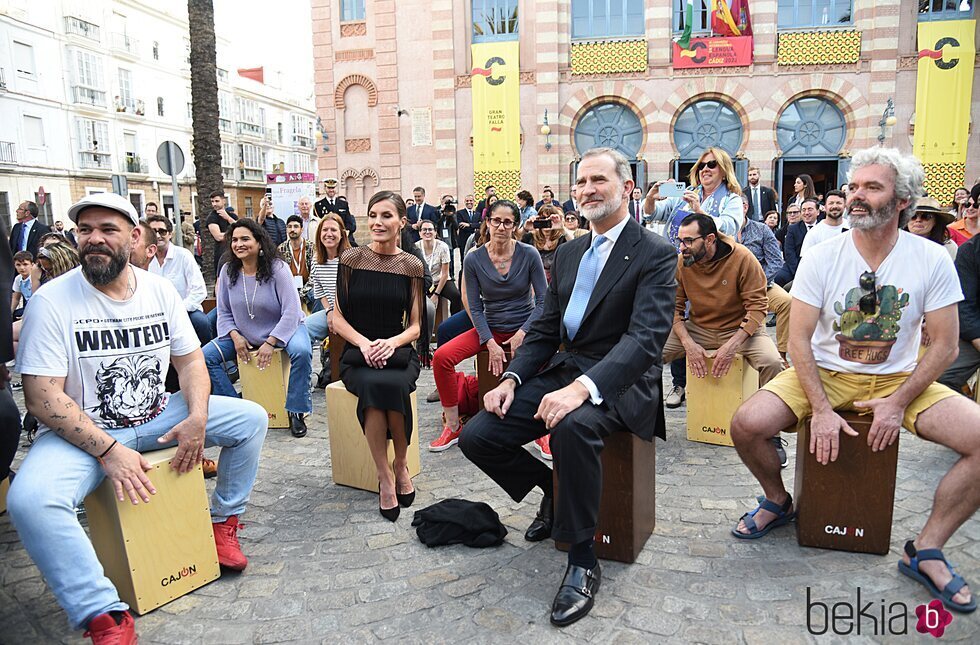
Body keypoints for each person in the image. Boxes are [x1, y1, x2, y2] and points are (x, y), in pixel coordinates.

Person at [7, 192, 269, 643]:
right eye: (85, 230)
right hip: (86, 432)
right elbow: (41, 396)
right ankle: (103, 613)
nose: (95, 239)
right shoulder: (51, 301)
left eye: (107, 230)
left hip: (157, 414)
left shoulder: (158, 290)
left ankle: (223, 524)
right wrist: (109, 451)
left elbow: (189, 364)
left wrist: (198, 418)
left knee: (250, 419)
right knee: (29, 500)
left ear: (134, 238)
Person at [729, 148, 979, 615]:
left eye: (872, 187)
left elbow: (945, 345)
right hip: (824, 373)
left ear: (902, 200)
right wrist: (820, 410)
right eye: (854, 186)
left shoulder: (932, 258)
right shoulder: (823, 257)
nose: (856, 196)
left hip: (901, 379)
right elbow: (798, 340)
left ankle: (926, 549)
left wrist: (897, 401)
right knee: (746, 424)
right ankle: (778, 499)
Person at [460, 147, 677, 627]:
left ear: (627, 187)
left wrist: (582, 389)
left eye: (598, 180)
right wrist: (512, 379)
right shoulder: (569, 252)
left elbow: (645, 341)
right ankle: (551, 489)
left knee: (572, 430)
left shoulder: (656, 253)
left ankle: (582, 560)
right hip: (566, 368)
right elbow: (543, 329)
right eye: (580, 182)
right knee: (478, 435)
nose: (587, 190)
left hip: (622, 381)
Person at [330, 190, 427, 521]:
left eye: (386, 216)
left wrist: (392, 342)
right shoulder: (351, 259)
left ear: (401, 222)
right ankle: (384, 475)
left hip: (398, 352)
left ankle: (401, 465)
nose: (377, 222)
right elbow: (336, 317)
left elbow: (416, 326)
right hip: (358, 354)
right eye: (372, 215)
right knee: (374, 389)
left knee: (394, 387)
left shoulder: (412, 266)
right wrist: (365, 344)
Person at [430, 200, 547, 454]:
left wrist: (523, 333)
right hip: (490, 327)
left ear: (515, 226)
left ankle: (543, 429)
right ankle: (452, 424)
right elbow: (474, 305)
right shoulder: (474, 258)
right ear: (488, 222)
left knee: (546, 362)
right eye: (496, 221)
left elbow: (543, 302)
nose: (501, 227)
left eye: (508, 222)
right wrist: (489, 342)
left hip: (524, 326)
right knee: (441, 357)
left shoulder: (529, 253)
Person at [204, 219, 313, 438]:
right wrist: (235, 337)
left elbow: (291, 311)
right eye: (234, 240)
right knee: (203, 358)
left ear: (259, 242)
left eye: (245, 239)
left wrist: (270, 342)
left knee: (302, 352)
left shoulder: (278, 268)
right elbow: (223, 311)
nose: (238, 244)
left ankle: (296, 410)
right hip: (242, 333)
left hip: (285, 328)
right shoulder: (227, 271)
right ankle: (237, 409)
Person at [736, 195, 793, 369]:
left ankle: (781, 353)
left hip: (761, 285)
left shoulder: (761, 230)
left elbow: (776, 261)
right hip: (729, 287)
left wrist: (758, 283)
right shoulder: (722, 229)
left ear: (745, 207)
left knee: (787, 302)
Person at [643, 146, 744, 241]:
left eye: (712, 164)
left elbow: (727, 229)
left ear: (724, 171)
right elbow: (652, 214)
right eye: (701, 165)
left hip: (710, 259)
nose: (705, 169)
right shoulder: (685, 192)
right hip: (673, 256)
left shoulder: (733, 199)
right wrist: (650, 199)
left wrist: (699, 211)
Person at [145, 214, 210, 344]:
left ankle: (206, 358)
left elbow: (199, 291)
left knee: (201, 322)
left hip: (186, 311)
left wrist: (178, 310)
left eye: (162, 231)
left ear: (170, 234)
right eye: (153, 232)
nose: (158, 236)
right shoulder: (144, 259)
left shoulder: (183, 256)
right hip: (155, 314)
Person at [305, 214, 353, 386]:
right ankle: (305, 378)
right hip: (330, 312)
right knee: (302, 329)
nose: (329, 234)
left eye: (333, 230)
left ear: (341, 234)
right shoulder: (317, 261)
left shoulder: (350, 258)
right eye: (325, 230)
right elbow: (319, 292)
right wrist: (329, 312)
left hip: (351, 313)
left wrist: (337, 314)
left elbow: (353, 292)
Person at [939, 234, 980, 392]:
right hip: (976, 331)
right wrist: (976, 338)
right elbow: (964, 302)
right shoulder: (970, 250)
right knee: (938, 377)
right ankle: (969, 415)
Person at [416, 220, 461, 325]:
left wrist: (436, 294)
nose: (427, 232)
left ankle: (455, 325)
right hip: (423, 281)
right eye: (424, 229)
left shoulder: (443, 247)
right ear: (419, 233)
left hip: (440, 280)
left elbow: (445, 274)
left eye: (430, 229)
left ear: (435, 232)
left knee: (456, 296)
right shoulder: (415, 247)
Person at [774, 197, 821, 287]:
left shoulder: (823, 227)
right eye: (804, 210)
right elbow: (789, 252)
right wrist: (799, 272)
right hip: (795, 266)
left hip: (817, 267)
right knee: (778, 277)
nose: (806, 213)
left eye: (810, 209)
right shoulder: (793, 228)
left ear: (818, 212)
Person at [278, 214, 318, 313]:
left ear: (301, 229)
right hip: (289, 288)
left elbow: (315, 276)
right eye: (290, 227)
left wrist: (301, 293)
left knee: (316, 295)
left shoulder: (312, 247)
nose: (292, 229)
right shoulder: (281, 249)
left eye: (296, 226)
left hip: (309, 288)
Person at [522, 205, 567, 283]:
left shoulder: (562, 239)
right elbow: (514, 246)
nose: (546, 221)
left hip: (556, 281)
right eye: (543, 218)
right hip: (533, 281)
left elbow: (576, 249)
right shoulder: (530, 237)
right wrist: (525, 229)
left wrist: (562, 229)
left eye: (550, 219)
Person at [801, 190, 848, 255]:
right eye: (831, 203)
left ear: (845, 206)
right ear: (825, 207)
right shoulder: (814, 233)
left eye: (838, 203)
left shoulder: (852, 229)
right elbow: (805, 260)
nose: (834, 206)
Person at [205, 190, 238, 279]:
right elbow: (218, 237)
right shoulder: (212, 218)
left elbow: (242, 228)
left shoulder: (232, 216)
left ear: (224, 201)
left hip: (236, 252)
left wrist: (228, 218)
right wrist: (236, 237)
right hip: (222, 253)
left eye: (217, 201)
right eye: (212, 201)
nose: (214, 204)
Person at [314, 179, 356, 244]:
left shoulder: (343, 204)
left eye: (333, 188)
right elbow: (317, 224)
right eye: (329, 188)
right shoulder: (318, 205)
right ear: (325, 188)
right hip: (326, 238)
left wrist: (343, 233)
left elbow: (349, 223)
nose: (331, 190)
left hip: (341, 238)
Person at [11, 250, 34, 319]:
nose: (22, 268)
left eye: (25, 264)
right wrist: (10, 312)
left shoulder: (35, 278)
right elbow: (16, 298)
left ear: (32, 265)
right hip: (26, 307)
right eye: (18, 265)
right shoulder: (18, 279)